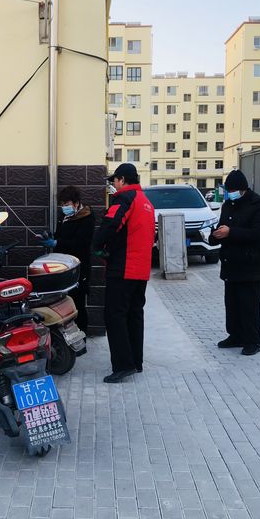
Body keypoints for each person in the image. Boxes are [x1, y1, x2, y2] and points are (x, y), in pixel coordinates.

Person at [92, 163, 155, 383]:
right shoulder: (146, 202)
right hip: (141, 269)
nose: (114, 186)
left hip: (123, 268)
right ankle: (136, 362)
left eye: (114, 181)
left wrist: (97, 245)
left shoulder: (124, 198)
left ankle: (122, 365)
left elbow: (111, 223)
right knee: (134, 315)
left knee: (115, 316)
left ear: (122, 180)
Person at [212, 170, 260, 356]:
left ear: (243, 189)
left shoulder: (259, 205)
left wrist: (231, 232)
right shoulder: (228, 205)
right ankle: (235, 336)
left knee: (249, 306)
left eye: (233, 190)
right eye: (228, 190)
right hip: (231, 264)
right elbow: (223, 227)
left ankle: (252, 341)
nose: (230, 194)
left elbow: (259, 233)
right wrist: (215, 235)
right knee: (232, 304)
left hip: (250, 266)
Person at [42, 186, 95, 333]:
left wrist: (57, 243)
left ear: (76, 203)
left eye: (66, 204)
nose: (64, 207)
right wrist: (51, 237)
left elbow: (81, 243)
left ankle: (81, 335)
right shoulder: (64, 217)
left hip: (78, 268)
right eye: (62, 204)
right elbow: (60, 235)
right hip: (62, 267)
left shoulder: (87, 218)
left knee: (78, 304)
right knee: (63, 303)